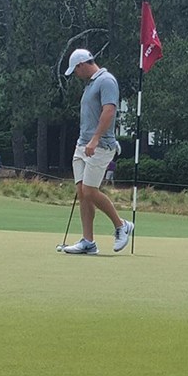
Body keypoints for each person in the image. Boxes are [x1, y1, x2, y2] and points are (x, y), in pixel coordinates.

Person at [60, 49, 134, 255]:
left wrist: (95, 139)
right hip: (82, 145)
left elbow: (108, 111)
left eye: (75, 70)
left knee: (90, 191)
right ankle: (88, 242)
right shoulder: (91, 84)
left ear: (82, 65)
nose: (75, 75)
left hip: (100, 146)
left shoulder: (107, 81)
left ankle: (121, 225)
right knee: (82, 193)